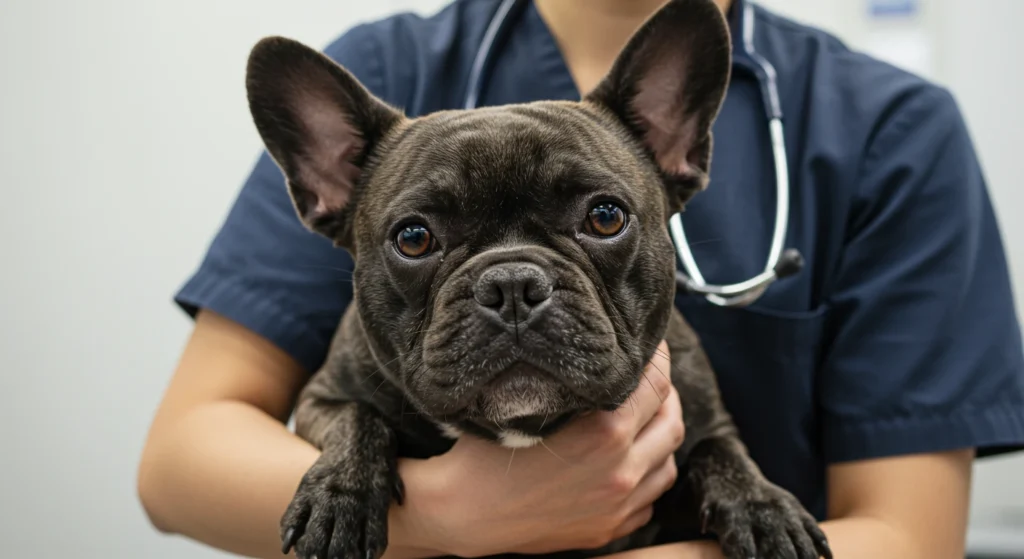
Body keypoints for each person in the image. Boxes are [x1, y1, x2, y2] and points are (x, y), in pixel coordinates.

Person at [136, 0, 1024, 557]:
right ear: (325, 191)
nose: (513, 291)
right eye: (418, 237)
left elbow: (910, 537)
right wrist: (442, 517)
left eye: (600, 220)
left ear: (678, 153)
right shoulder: (392, 66)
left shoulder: (889, 128)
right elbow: (178, 465)